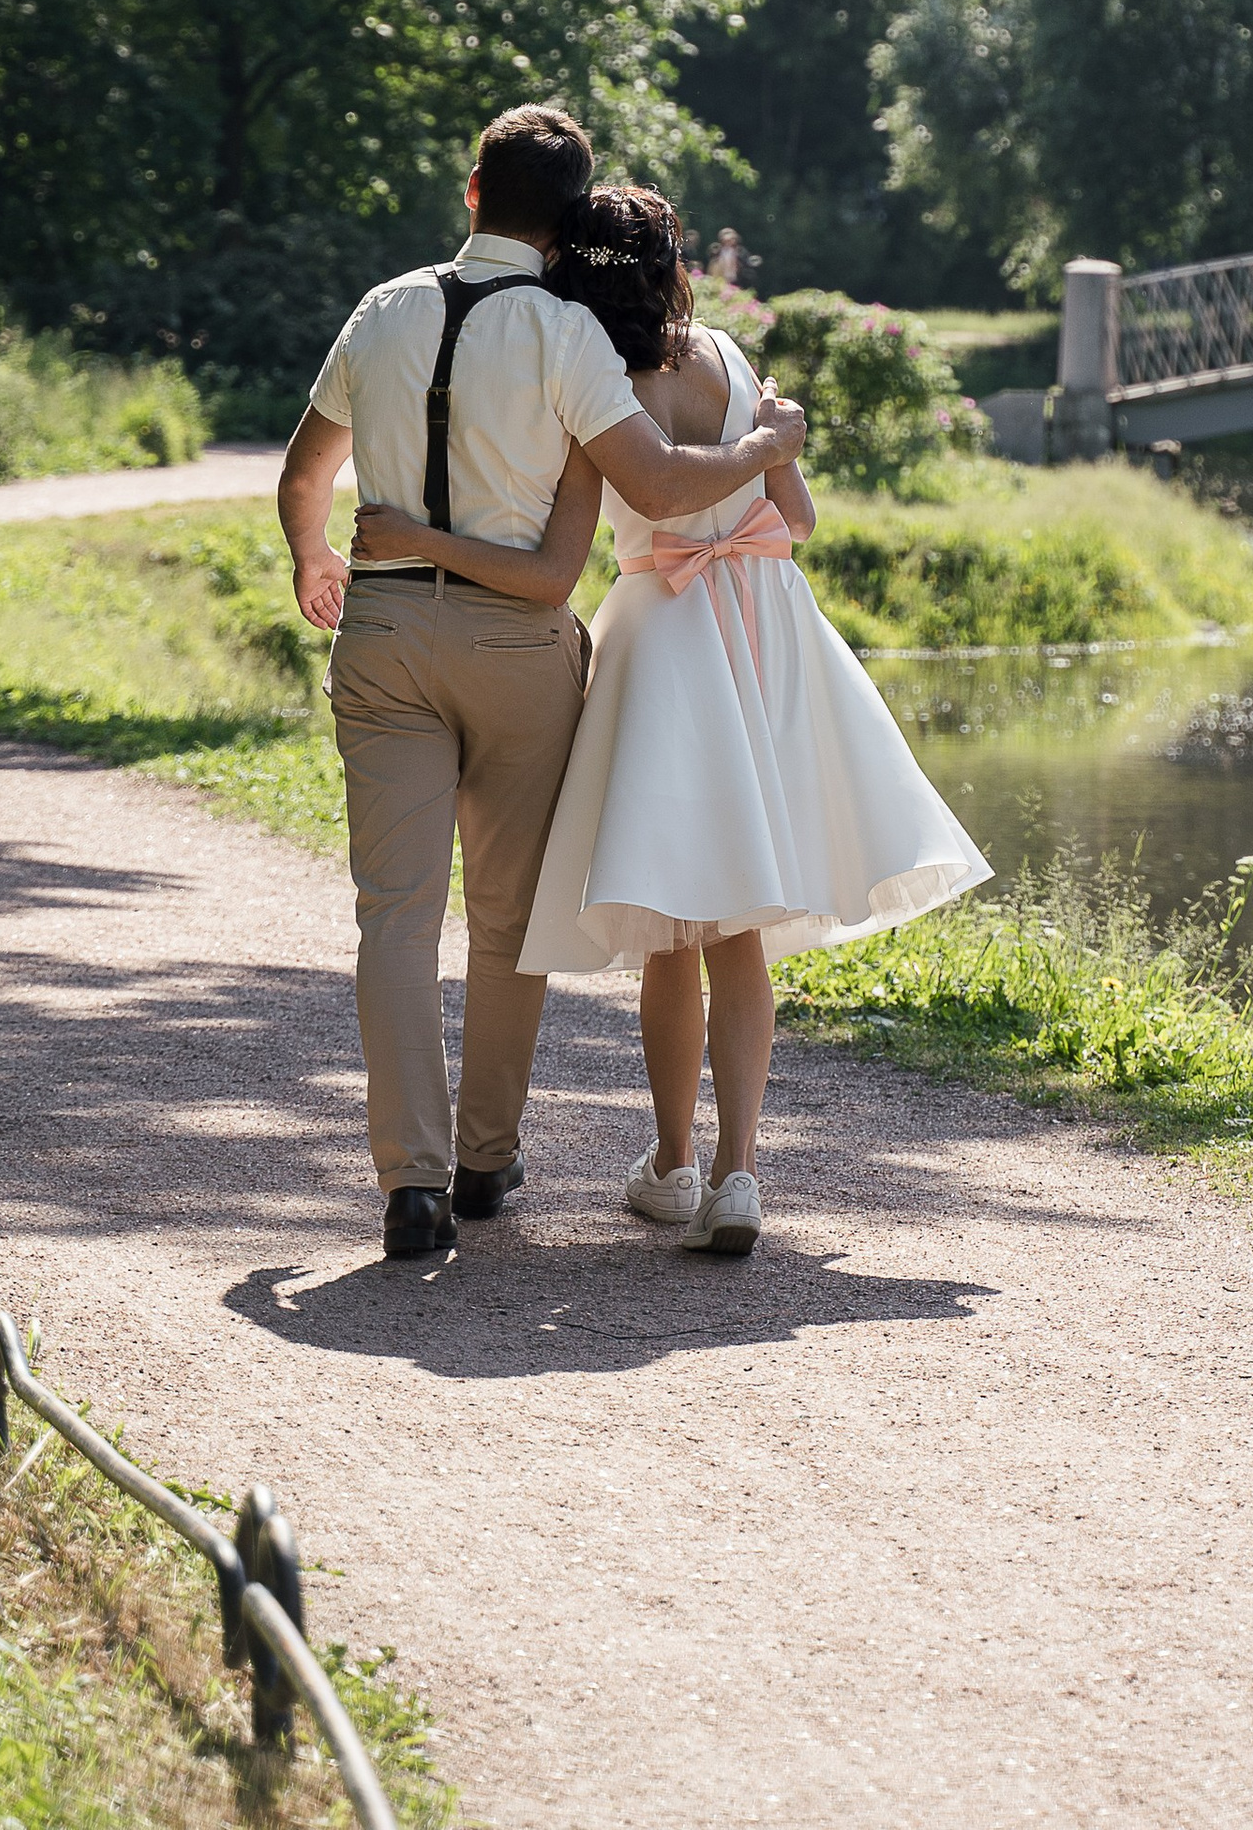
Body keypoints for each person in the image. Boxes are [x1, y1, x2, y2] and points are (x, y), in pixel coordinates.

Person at [351, 184, 989, 1259]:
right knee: (741, 927)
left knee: (675, 925)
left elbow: (564, 555)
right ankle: (738, 1175)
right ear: (673, 269)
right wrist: (771, 444)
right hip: (769, 628)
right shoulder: (732, 360)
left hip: (667, 634)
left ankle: (673, 1161)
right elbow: (798, 518)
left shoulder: (591, 381)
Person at [278, 105, 812, 1265]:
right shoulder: (569, 336)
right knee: (506, 915)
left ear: (472, 189)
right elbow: (658, 486)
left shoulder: (381, 309)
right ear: (565, 220)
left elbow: (306, 470)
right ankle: (485, 1158)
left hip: (382, 630)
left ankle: (411, 1185)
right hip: (520, 643)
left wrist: (316, 557)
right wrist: (769, 447)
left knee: (394, 915)